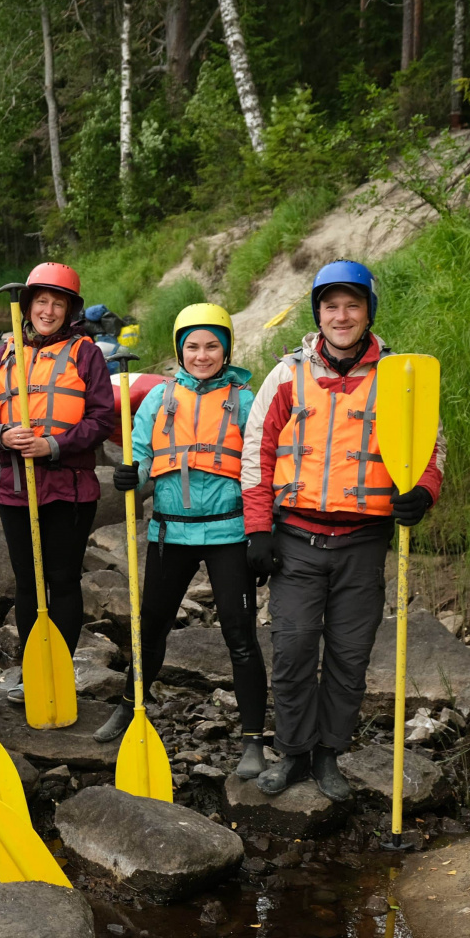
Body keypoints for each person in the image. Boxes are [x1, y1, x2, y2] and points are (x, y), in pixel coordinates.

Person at [241, 260, 445, 800]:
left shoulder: (399, 376)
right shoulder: (287, 374)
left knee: (350, 658)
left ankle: (329, 755)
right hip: (295, 541)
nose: (341, 316)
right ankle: (293, 754)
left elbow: (431, 448)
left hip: (363, 543)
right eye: (330, 306)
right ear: (318, 313)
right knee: (292, 650)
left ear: (368, 312)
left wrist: (423, 492)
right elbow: (256, 452)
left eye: (352, 305)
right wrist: (257, 530)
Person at [93, 304, 269, 775]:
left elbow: (260, 466)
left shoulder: (247, 400)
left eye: (212, 345)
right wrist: (132, 475)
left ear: (227, 348)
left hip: (229, 532)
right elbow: (143, 454)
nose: (202, 354)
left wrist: (260, 532)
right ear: (179, 350)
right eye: (192, 346)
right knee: (151, 625)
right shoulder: (159, 399)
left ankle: (253, 739)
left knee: (240, 634)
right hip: (170, 530)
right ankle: (130, 707)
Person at [0, 263, 117, 702]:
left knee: (62, 578)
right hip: (16, 487)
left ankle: (60, 668)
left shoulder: (86, 353)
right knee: (26, 584)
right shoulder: (3, 354)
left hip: (68, 489)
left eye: (58, 303)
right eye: (41, 300)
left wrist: (53, 446)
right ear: (28, 304)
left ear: (70, 309)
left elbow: (101, 419)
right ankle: (30, 668)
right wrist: (2, 434)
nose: (48, 310)